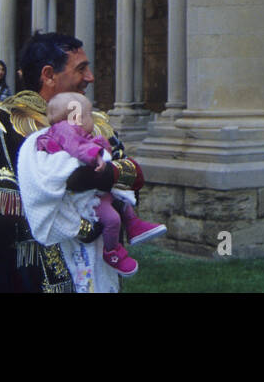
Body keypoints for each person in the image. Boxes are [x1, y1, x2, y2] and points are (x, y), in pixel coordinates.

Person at [0, 32, 145, 293]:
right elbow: (9, 203)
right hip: (32, 277)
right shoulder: (0, 123)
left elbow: (132, 179)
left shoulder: (95, 121)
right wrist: (92, 211)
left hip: (96, 275)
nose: (90, 77)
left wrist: (95, 179)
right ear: (49, 74)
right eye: (81, 69)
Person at [25, 91, 166, 277]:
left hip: (97, 191)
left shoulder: (76, 131)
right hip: (83, 201)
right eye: (88, 115)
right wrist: (97, 155)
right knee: (112, 219)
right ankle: (113, 253)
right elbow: (77, 150)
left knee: (121, 199)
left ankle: (134, 226)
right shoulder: (65, 130)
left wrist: (102, 148)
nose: (89, 77)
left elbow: (130, 173)